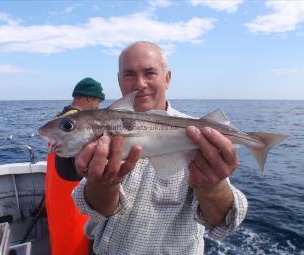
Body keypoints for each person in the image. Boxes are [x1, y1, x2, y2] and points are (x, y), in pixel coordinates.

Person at [72, 42, 248, 255]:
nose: (140, 84)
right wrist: (102, 185)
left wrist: (212, 187)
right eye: (129, 75)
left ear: (168, 78)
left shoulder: (197, 134)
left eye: (150, 73)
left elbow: (223, 223)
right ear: (119, 81)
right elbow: (96, 209)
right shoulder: (102, 130)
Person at [45, 77, 105, 255]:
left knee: (61, 246)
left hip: (56, 198)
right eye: (98, 102)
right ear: (88, 99)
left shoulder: (60, 119)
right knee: (76, 248)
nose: (98, 108)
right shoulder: (76, 124)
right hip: (75, 205)